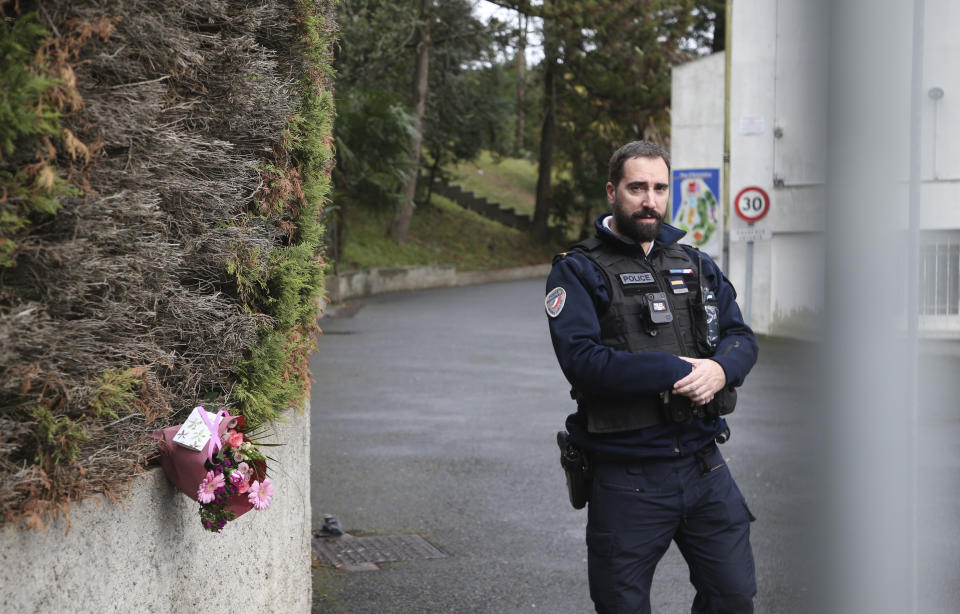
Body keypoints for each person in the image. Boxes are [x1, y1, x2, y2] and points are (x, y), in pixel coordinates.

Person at [545, 141, 759, 613]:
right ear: (612, 192)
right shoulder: (578, 271)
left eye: (660, 188)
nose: (650, 199)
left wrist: (722, 368)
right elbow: (582, 361)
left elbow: (740, 335)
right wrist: (677, 370)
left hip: (704, 466)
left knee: (733, 597)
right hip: (628, 476)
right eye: (637, 187)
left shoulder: (696, 264)